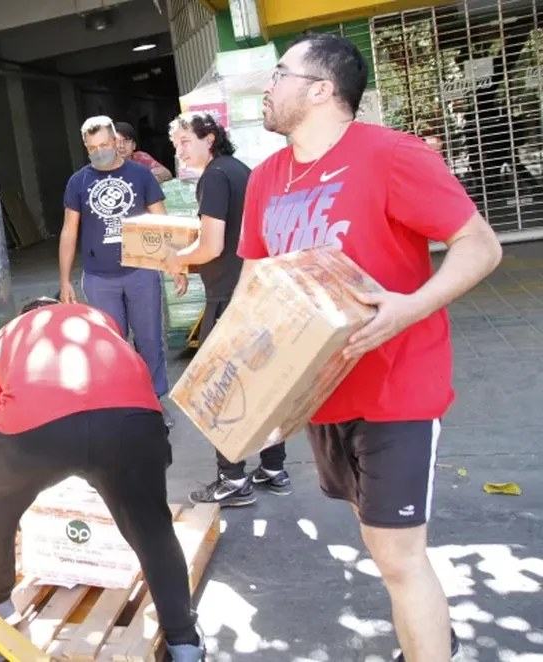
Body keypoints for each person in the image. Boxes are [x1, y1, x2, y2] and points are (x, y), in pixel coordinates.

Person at [240, 33, 502, 662]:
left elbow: (480, 244)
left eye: (280, 74)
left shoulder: (392, 155)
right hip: (320, 395)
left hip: (397, 386)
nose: (267, 88)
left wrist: (411, 306)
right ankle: (438, 638)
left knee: (396, 554)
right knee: (376, 537)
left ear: (322, 89)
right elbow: (256, 282)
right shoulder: (265, 178)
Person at [0, 297, 205, 662]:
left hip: (37, 428)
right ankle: (184, 641)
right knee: (152, 527)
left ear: (26, 314)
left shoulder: (8, 334)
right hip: (132, 420)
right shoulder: (97, 317)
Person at [164, 110, 292, 507]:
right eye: (176, 144)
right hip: (257, 291)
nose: (180, 150)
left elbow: (212, 245)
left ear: (209, 138)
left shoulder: (215, 177)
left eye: (185, 141)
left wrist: (177, 260)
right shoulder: (239, 170)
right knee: (263, 383)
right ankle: (274, 467)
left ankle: (232, 479)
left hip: (230, 297)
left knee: (220, 389)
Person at [60, 116, 186, 426]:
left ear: (117, 141)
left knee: (149, 339)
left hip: (141, 271)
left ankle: (154, 402)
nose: (99, 151)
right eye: (92, 147)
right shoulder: (79, 181)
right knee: (110, 345)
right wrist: (65, 280)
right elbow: (69, 232)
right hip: (100, 277)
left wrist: (177, 265)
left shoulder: (141, 175)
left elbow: (163, 222)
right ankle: (121, 405)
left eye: (104, 144)